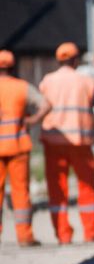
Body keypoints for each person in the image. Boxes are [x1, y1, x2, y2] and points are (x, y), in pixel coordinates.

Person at [39, 42, 94, 244]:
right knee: (87, 187)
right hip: (80, 142)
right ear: (76, 60)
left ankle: (63, 235)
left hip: (53, 142)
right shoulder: (85, 81)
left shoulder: (47, 81)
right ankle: (92, 232)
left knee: (57, 189)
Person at [0, 50, 52, 247]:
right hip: (18, 145)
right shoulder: (21, 87)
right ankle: (24, 236)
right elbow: (46, 105)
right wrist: (32, 120)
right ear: (12, 67)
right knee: (20, 191)